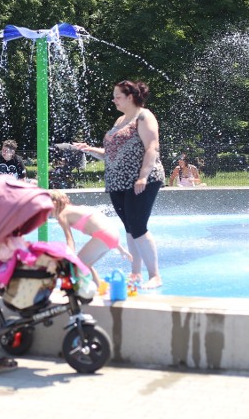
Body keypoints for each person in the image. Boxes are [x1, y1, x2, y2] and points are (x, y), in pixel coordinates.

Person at [74, 79, 166, 289]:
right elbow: (111, 154)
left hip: (141, 180)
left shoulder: (144, 116)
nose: (113, 100)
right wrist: (89, 149)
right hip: (118, 182)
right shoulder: (120, 120)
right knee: (129, 228)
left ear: (131, 97)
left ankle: (155, 275)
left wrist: (143, 176)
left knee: (138, 226)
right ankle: (136, 273)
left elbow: (152, 148)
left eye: (118, 96)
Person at [49, 190, 132, 288]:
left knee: (77, 266)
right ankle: (98, 288)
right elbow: (104, 228)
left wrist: (70, 257)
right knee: (86, 264)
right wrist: (121, 249)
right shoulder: (78, 208)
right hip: (113, 234)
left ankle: (83, 293)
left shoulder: (62, 215)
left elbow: (70, 239)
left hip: (103, 235)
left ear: (54, 203)